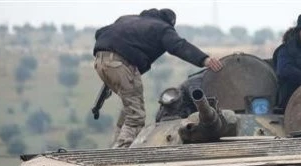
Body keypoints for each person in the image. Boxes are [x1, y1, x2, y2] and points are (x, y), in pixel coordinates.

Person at [93, 8, 223, 148]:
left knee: (129, 108)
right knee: (136, 117)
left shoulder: (127, 19)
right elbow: (178, 45)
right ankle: (120, 153)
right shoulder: (162, 28)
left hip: (100, 60)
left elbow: (100, 33)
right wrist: (205, 60)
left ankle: (115, 144)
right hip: (121, 64)